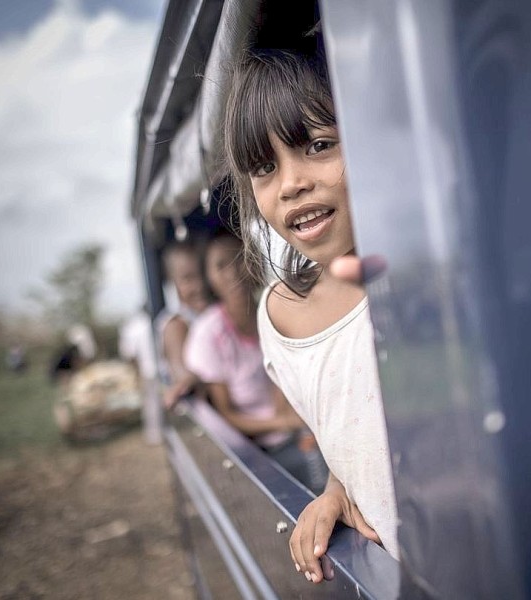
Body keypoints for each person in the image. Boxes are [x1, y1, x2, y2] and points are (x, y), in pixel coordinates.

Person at [224, 46, 398, 584]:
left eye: (319, 145)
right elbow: (355, 434)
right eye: (264, 167)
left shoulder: (428, 276)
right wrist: (338, 488)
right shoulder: (281, 318)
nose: (292, 182)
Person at [183, 231, 326, 490]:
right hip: (262, 452)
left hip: (303, 433)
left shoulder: (277, 311)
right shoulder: (209, 335)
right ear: (209, 278)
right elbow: (227, 416)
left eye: (240, 258)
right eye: (220, 265)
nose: (233, 271)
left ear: (254, 262)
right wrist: (285, 423)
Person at [155, 240, 209, 403]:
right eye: (187, 279)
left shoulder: (211, 315)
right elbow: (183, 376)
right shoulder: (177, 325)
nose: (199, 285)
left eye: (202, 274)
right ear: (173, 283)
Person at [119, 305, 161, 444]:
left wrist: (136, 372)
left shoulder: (133, 327)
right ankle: (157, 434)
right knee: (155, 402)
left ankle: (155, 434)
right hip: (157, 369)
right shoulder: (153, 322)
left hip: (147, 370)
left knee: (151, 403)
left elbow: (130, 355)